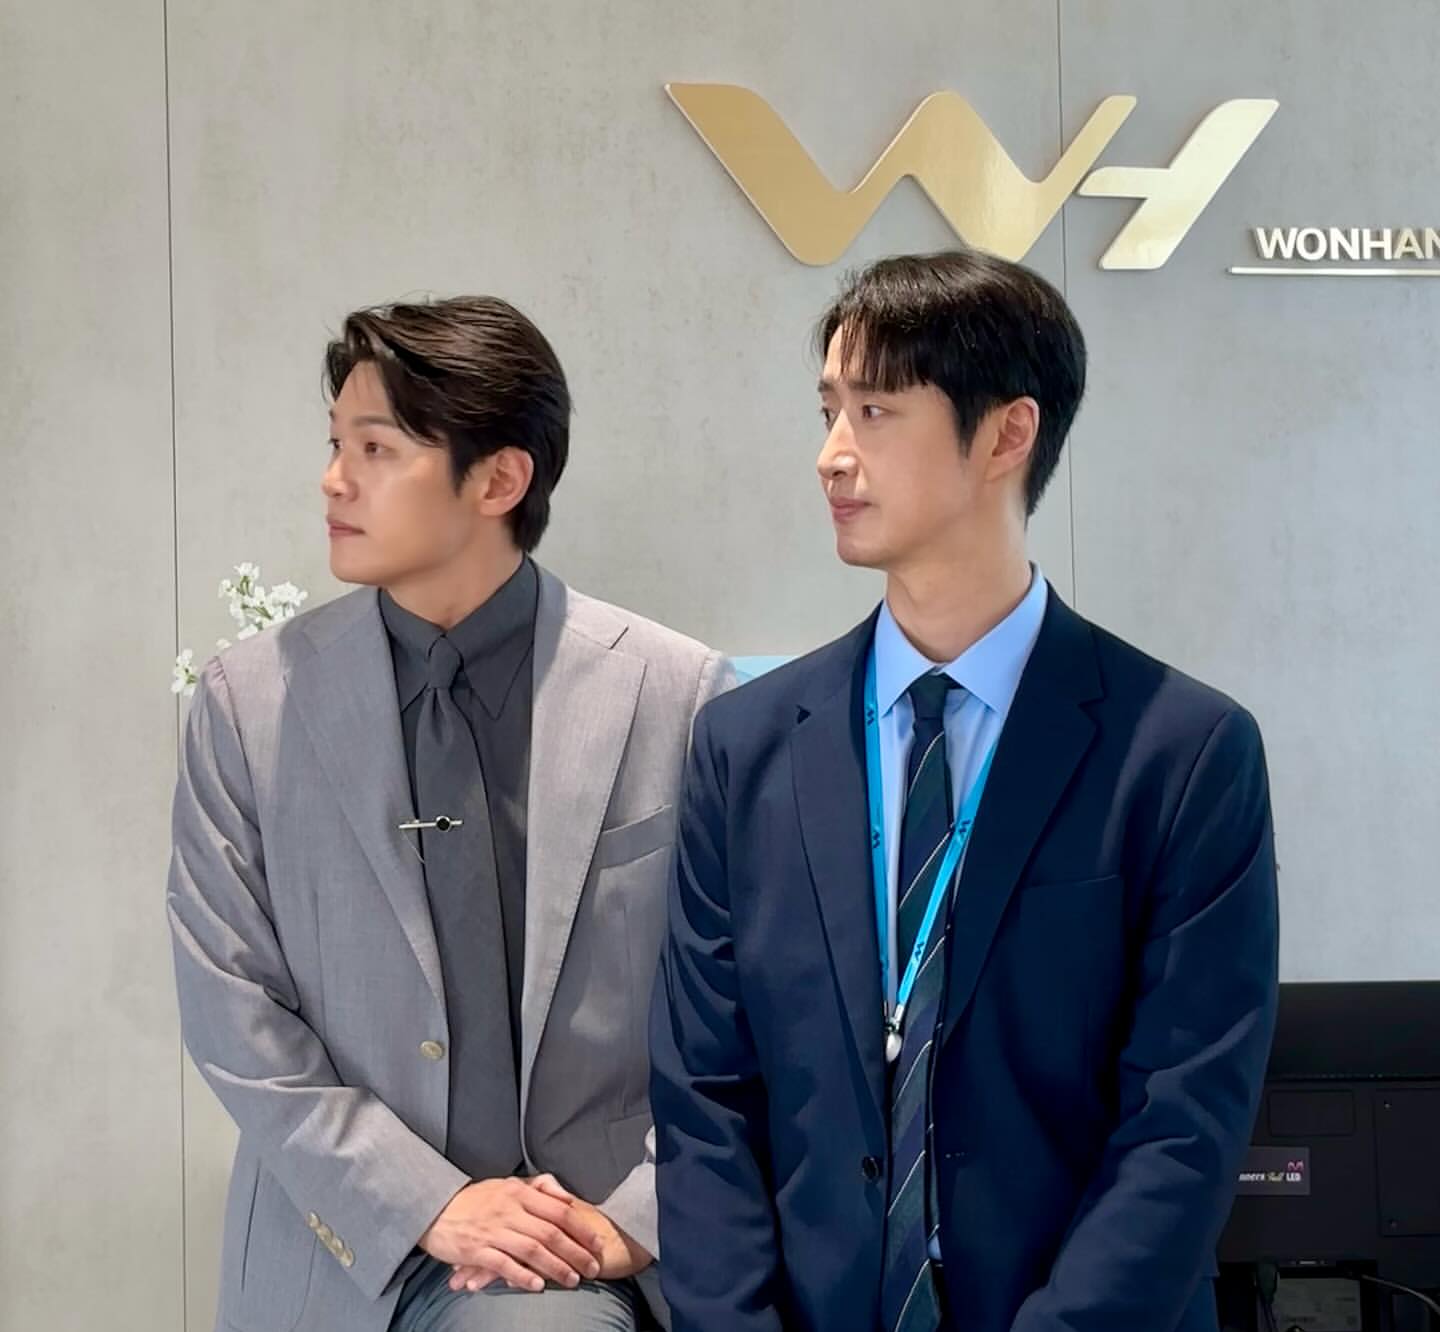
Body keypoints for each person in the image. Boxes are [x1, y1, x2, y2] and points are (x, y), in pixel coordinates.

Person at [650, 250, 1279, 1332]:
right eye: (828, 410)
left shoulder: (1182, 753)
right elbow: (704, 1099)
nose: (831, 455)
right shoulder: (745, 748)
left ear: (1006, 435)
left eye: (875, 412)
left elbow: (1182, 1127)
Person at [169, 295, 732, 1332]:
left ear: (499, 480)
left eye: (376, 449)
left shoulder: (675, 693)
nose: (334, 480)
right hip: (341, 1240)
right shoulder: (249, 703)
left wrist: (645, 1214)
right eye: (336, 444)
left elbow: (743, 1002)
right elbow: (230, 1005)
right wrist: (427, 1202)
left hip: (577, 1236)